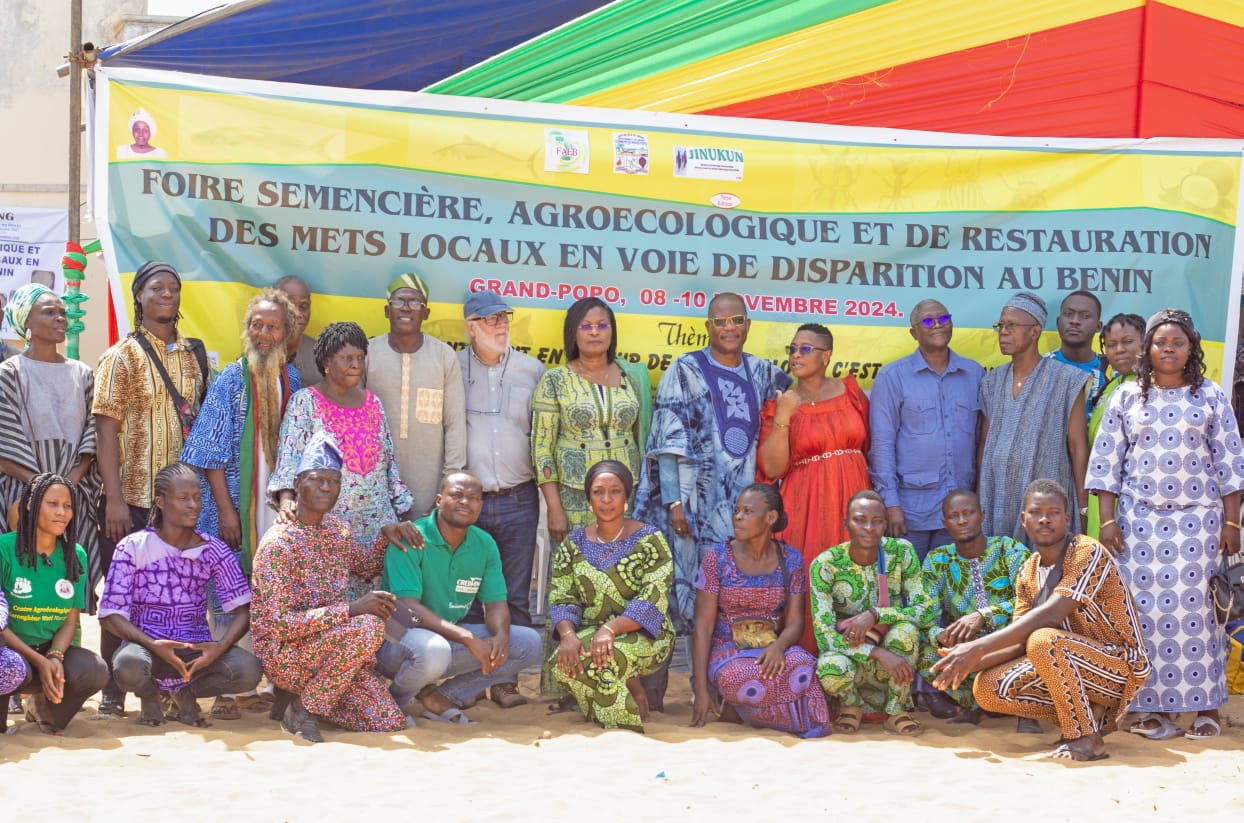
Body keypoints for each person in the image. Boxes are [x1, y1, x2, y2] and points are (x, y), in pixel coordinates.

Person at [1087, 308, 1244, 740]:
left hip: (1200, 523)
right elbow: (1106, 465)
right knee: (1145, 615)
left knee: (1200, 614)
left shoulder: (1210, 395)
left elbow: (1230, 464)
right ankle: (1157, 712)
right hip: (1138, 523)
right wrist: (1106, 522)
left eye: (1178, 342)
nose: (1169, 348)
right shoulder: (1127, 397)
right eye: (1161, 342)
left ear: (1191, 348)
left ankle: (1207, 708)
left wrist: (1232, 524)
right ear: (1148, 349)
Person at [932, 480, 1151, 762]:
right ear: (1024, 519)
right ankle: (1086, 721)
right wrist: (968, 662)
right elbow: (1021, 642)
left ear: (1067, 518)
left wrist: (978, 647)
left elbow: (1051, 615)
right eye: (1036, 512)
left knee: (1043, 639)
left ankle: (1086, 738)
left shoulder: (1087, 551)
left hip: (1121, 668)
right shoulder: (1029, 570)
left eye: (1053, 512)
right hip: (1068, 661)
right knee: (986, 688)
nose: (1044, 519)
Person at [634, 292, 791, 634]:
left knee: (746, 592)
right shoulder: (684, 369)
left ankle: (739, 677)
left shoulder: (765, 372)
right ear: (708, 327)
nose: (729, 328)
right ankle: (699, 685)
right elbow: (668, 443)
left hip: (750, 509)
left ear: (748, 325)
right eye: (720, 322)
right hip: (697, 508)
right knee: (698, 593)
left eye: (736, 320)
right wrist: (675, 503)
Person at [251, 431, 422, 743]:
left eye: (333, 482)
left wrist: (386, 535)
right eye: (317, 480)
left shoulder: (337, 531)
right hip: (287, 656)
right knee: (368, 626)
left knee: (389, 721)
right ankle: (302, 709)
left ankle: (301, 700)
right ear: (299, 484)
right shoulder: (279, 544)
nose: (326, 487)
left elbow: (367, 567)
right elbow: (278, 626)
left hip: (334, 657)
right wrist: (352, 610)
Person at [93, 260, 208, 716]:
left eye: (174, 288)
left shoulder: (193, 356)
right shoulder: (120, 356)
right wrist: (115, 499)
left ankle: (164, 686)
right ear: (139, 296)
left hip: (179, 504)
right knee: (120, 595)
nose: (167, 295)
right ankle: (111, 688)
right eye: (157, 288)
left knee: (174, 595)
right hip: (135, 497)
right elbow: (105, 430)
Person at [100, 463, 262, 727]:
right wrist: (153, 645)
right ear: (160, 502)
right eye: (183, 498)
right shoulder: (133, 546)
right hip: (147, 648)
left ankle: (186, 692)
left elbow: (244, 609)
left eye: (197, 497)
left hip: (195, 650)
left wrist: (218, 649)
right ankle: (150, 693)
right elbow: (109, 616)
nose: (193, 505)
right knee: (128, 665)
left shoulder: (213, 549)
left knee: (248, 671)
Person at [376, 472, 542, 723]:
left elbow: (496, 604)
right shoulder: (410, 538)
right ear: (439, 500)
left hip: (444, 639)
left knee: (528, 643)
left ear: (480, 506)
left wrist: (501, 636)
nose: (465, 502)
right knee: (435, 650)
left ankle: (442, 697)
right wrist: (466, 636)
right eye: (457, 495)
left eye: (473, 498)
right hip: (395, 639)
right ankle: (393, 704)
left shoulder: (484, 544)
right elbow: (407, 608)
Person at [269, 321, 413, 594]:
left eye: (360, 357)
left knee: (378, 606)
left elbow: (388, 461)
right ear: (326, 362)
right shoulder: (305, 402)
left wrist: (400, 507)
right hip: (330, 524)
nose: (355, 364)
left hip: (377, 527)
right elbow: (289, 458)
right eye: (347, 358)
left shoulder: (373, 403)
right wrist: (287, 499)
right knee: (336, 605)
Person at [757, 322, 870, 653]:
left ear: (826, 356)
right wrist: (784, 416)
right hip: (806, 503)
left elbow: (869, 447)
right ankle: (810, 675)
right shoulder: (783, 402)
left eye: (805, 348)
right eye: (792, 348)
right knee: (810, 578)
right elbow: (772, 468)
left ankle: (851, 676)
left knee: (855, 579)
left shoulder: (851, 393)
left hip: (853, 498)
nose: (795, 355)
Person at [457, 290, 545, 710]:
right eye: (490, 321)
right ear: (470, 328)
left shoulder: (532, 370)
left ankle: (506, 680)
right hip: (468, 503)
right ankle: (471, 680)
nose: (500, 326)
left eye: (504, 318)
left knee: (513, 594)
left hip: (518, 498)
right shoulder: (452, 369)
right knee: (470, 593)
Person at [690, 483, 830, 738]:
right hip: (728, 647)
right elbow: (703, 626)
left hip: (772, 646)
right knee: (739, 677)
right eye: (736, 511)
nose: (738, 518)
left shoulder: (791, 559)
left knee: (805, 668)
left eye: (747, 512)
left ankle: (744, 710)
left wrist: (778, 647)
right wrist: (701, 689)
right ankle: (776, 713)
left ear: (770, 517)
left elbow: (796, 622)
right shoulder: (718, 558)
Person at [548, 460, 674, 732]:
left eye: (614, 491)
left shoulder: (650, 540)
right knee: (561, 662)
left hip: (647, 633)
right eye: (598, 492)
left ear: (626, 496)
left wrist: (610, 629)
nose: (606, 499)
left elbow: (653, 598)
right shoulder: (574, 543)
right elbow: (562, 597)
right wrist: (568, 635)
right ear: (589, 499)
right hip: (594, 632)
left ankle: (623, 729)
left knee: (608, 657)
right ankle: (609, 709)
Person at [0, 284, 102, 608]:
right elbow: (5, 438)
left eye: (62, 312)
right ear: (25, 322)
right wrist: (41, 487)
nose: (60, 318)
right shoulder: (9, 373)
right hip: (22, 487)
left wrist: (70, 480)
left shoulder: (84, 374)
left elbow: (92, 432)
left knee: (67, 573)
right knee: (22, 573)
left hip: (72, 487)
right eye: (49, 312)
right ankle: (20, 646)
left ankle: (64, 645)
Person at [868, 299, 984, 563]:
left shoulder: (974, 373)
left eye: (944, 319)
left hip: (960, 512)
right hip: (911, 511)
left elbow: (981, 441)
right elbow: (882, 444)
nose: (938, 326)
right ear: (913, 332)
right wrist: (891, 504)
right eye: (928, 322)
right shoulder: (892, 377)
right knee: (909, 589)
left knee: (954, 587)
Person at [809, 490, 932, 736]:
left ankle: (896, 709)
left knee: (906, 632)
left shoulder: (901, 553)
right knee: (830, 669)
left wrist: (877, 614)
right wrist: (876, 653)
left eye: (877, 521)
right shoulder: (825, 565)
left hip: (893, 650)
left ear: (885, 524)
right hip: (851, 652)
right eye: (859, 520)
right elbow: (823, 635)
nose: (868, 527)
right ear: (846, 524)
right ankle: (850, 704)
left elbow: (925, 611)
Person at [533, 296, 651, 543]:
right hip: (575, 499)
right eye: (586, 326)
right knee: (578, 574)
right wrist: (555, 509)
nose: (595, 331)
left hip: (626, 496)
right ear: (572, 333)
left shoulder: (633, 376)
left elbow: (644, 438)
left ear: (612, 331)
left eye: (602, 325)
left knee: (624, 571)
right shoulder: (555, 380)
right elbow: (542, 448)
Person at [0, 473, 109, 733]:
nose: (62, 512)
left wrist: (55, 656)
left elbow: (70, 621)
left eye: (67, 506)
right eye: (53, 504)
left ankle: (42, 706)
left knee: (95, 671)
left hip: (51, 652)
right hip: (12, 655)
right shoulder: (4, 549)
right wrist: (38, 661)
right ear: (31, 504)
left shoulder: (75, 555)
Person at [978, 292, 1089, 543]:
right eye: (1001, 326)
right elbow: (984, 444)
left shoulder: (1067, 380)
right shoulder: (992, 381)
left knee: (1047, 572)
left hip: (1046, 501)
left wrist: (1084, 509)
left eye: (1012, 325)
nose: (1003, 332)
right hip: (998, 497)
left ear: (1035, 332)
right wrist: (980, 498)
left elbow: (1077, 447)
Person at [918, 489, 1030, 725]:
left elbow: (1030, 601)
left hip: (1010, 646)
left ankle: (1014, 708)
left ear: (982, 515)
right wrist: (942, 637)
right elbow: (926, 615)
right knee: (919, 648)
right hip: (966, 653)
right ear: (945, 523)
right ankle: (977, 703)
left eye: (968, 513)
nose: (962, 521)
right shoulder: (937, 561)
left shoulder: (1009, 549)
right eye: (954, 516)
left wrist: (983, 615)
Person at [367, 273, 466, 517]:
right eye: (399, 301)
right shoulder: (368, 353)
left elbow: (454, 424)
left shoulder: (443, 357)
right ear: (386, 310)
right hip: (375, 482)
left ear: (426, 313)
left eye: (415, 303)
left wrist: (448, 485)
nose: (406, 308)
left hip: (429, 485)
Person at [1085, 313, 1145, 537]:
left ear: (1146, 343)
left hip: (1132, 499)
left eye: (1127, 342)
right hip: (1100, 495)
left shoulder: (1154, 387)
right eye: (1111, 344)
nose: (1119, 349)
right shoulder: (1112, 386)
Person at [1046, 290, 1108, 421]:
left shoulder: (1110, 372)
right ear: (1058, 322)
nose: (1075, 321)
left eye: (1085, 316)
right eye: (1068, 314)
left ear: (1098, 326)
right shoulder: (1039, 369)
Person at [274, 275, 320, 388]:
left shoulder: (321, 354)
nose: (298, 314)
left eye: (304, 306)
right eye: (290, 307)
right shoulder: (259, 351)